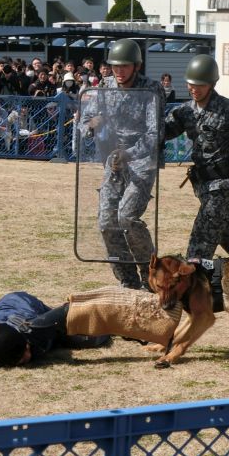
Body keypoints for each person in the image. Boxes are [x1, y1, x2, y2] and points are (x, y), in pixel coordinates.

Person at [81, 38, 165, 290]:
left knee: (126, 217)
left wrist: (130, 153)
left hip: (141, 160)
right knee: (106, 222)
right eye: (115, 66)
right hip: (114, 160)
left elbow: (155, 132)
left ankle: (150, 274)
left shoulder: (151, 90)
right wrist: (90, 125)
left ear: (136, 66)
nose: (119, 71)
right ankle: (127, 280)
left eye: (125, 66)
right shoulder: (105, 87)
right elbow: (85, 119)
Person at [164, 54, 229, 259]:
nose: (194, 88)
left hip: (224, 184)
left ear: (212, 84)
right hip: (202, 184)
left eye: (200, 85)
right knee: (225, 232)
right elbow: (162, 132)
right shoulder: (185, 111)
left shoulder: (228, 108)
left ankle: (195, 271)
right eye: (191, 84)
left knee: (202, 239)